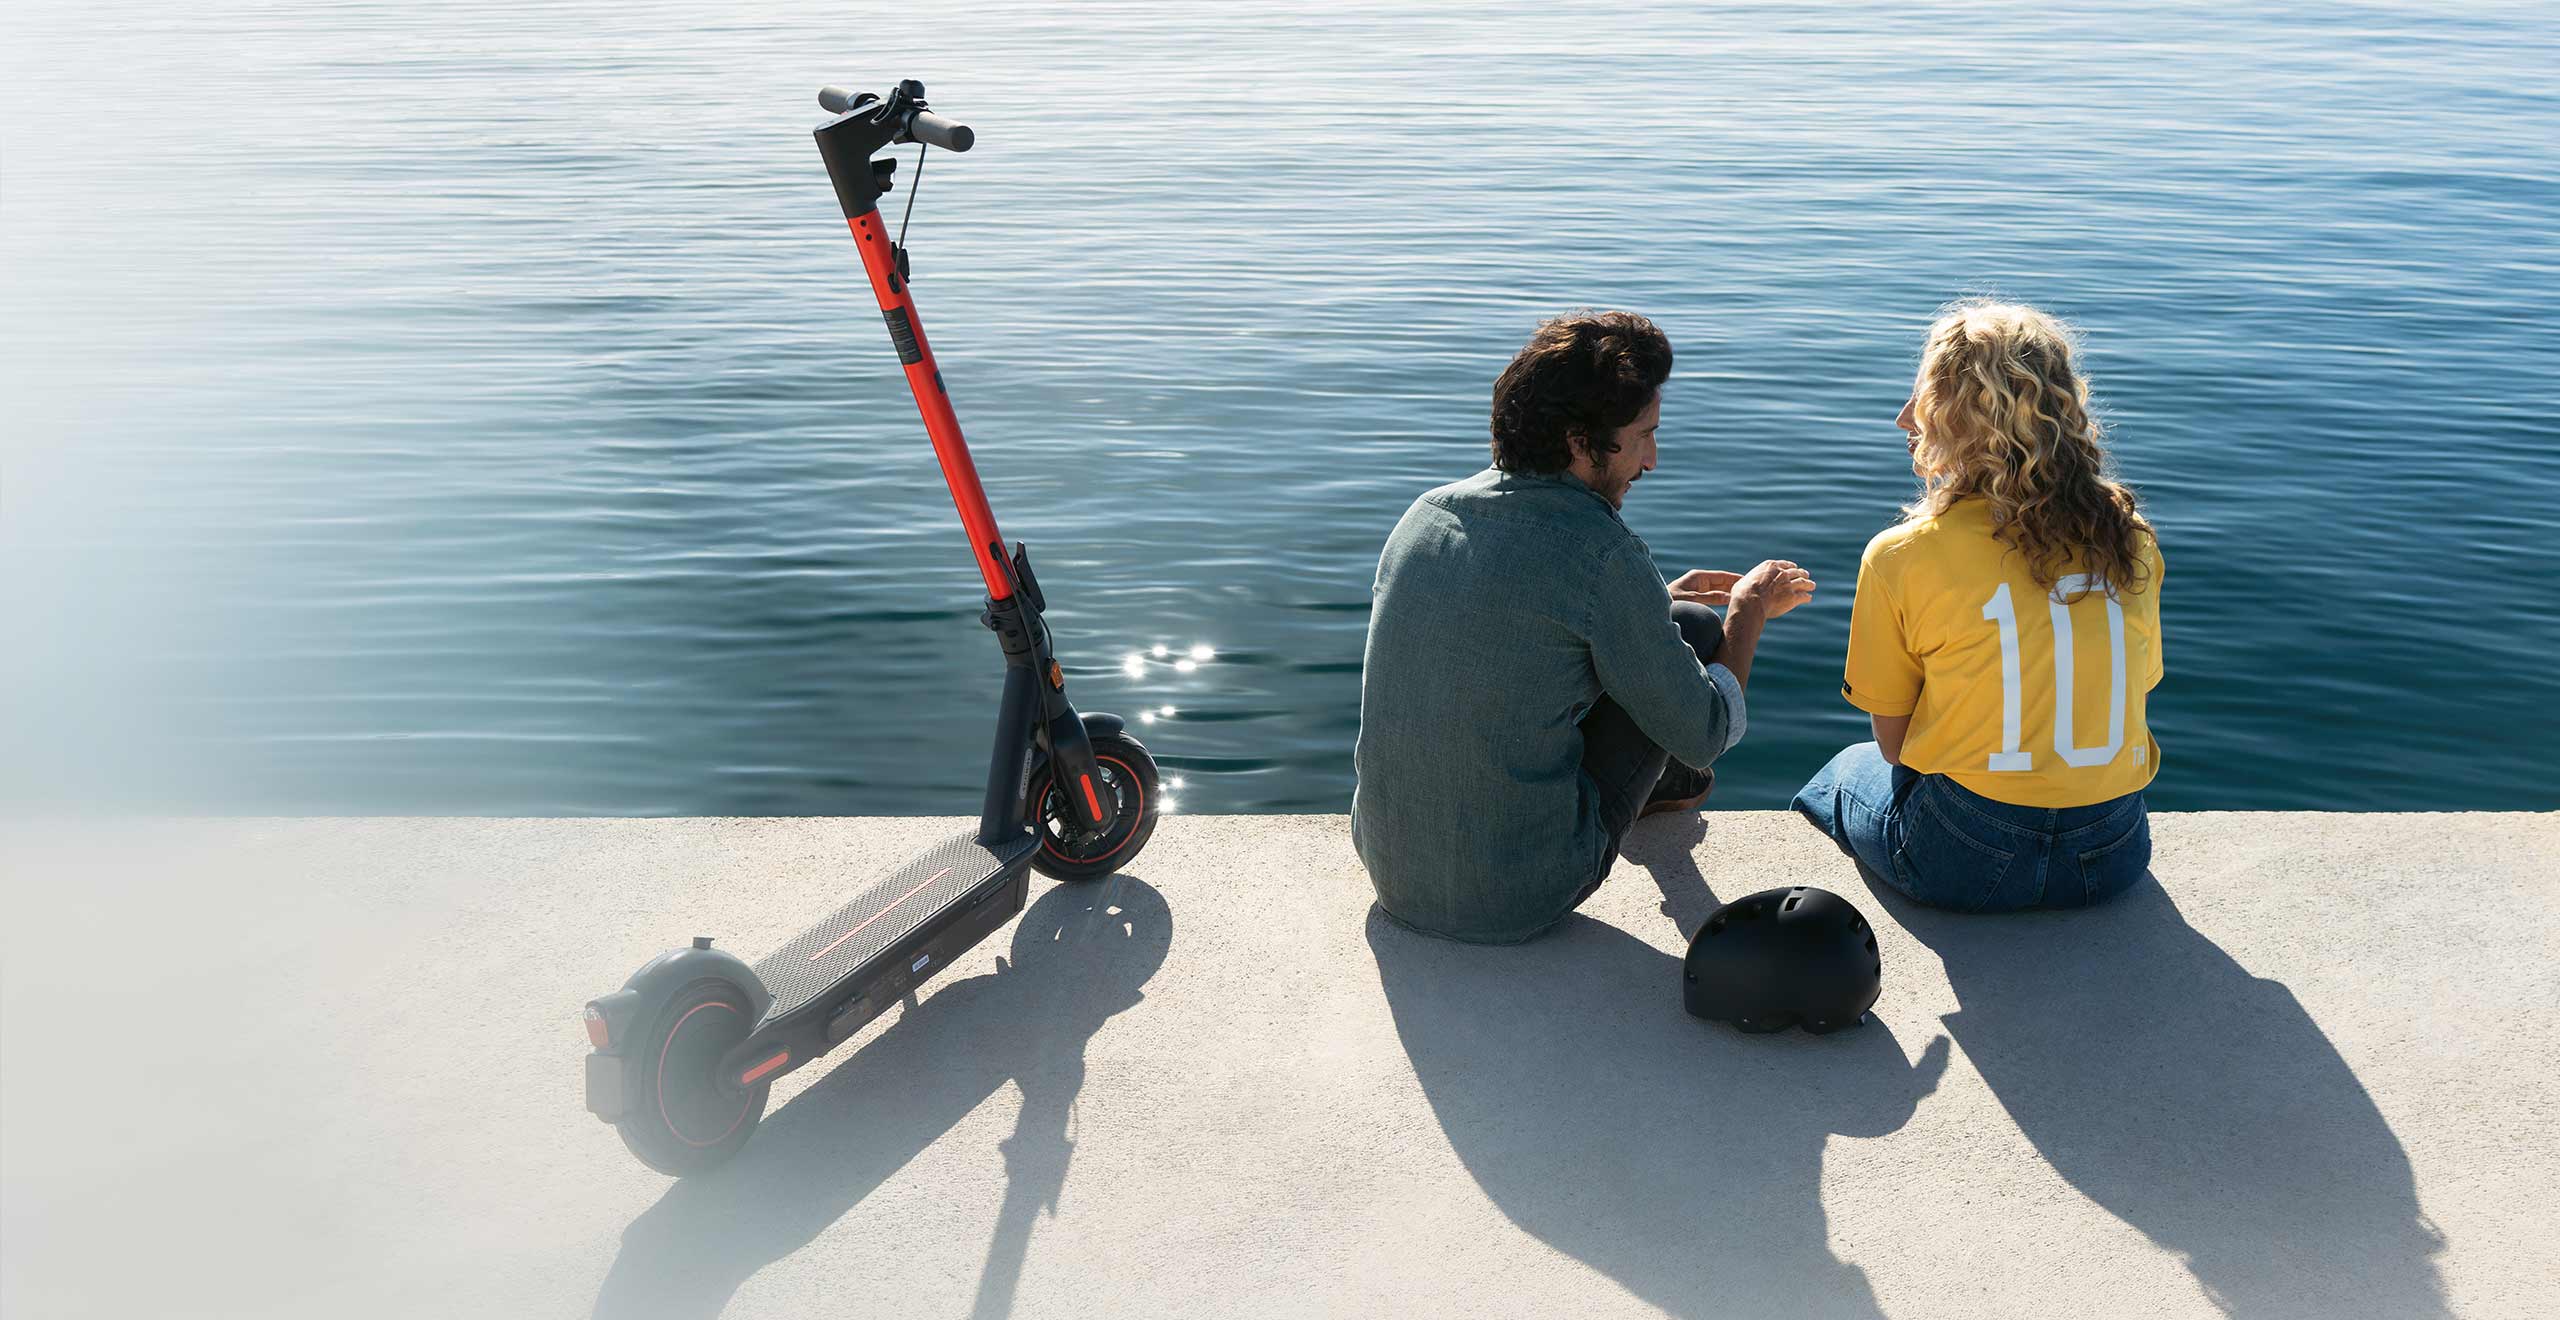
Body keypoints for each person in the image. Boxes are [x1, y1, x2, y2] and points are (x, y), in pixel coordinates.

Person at [1352, 310, 1816, 943]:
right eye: (1644, 436)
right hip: (1519, 897)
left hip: (1392, 874)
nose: (1652, 460)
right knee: (1699, 627)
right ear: (1580, 440)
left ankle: (1657, 785)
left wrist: (1646, 604)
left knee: (1667, 615)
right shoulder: (1602, 551)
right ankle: (1666, 787)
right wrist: (1749, 612)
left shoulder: (1424, 516)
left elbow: (1513, 626)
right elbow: (1708, 734)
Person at [1794, 300, 2163, 912]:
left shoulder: (1903, 554)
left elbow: (1893, 744)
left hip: (1969, 854)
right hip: (2114, 850)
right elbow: (2138, 684)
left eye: (1920, 397)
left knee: (1843, 771)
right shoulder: (2131, 538)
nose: (1901, 418)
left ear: (1954, 418)